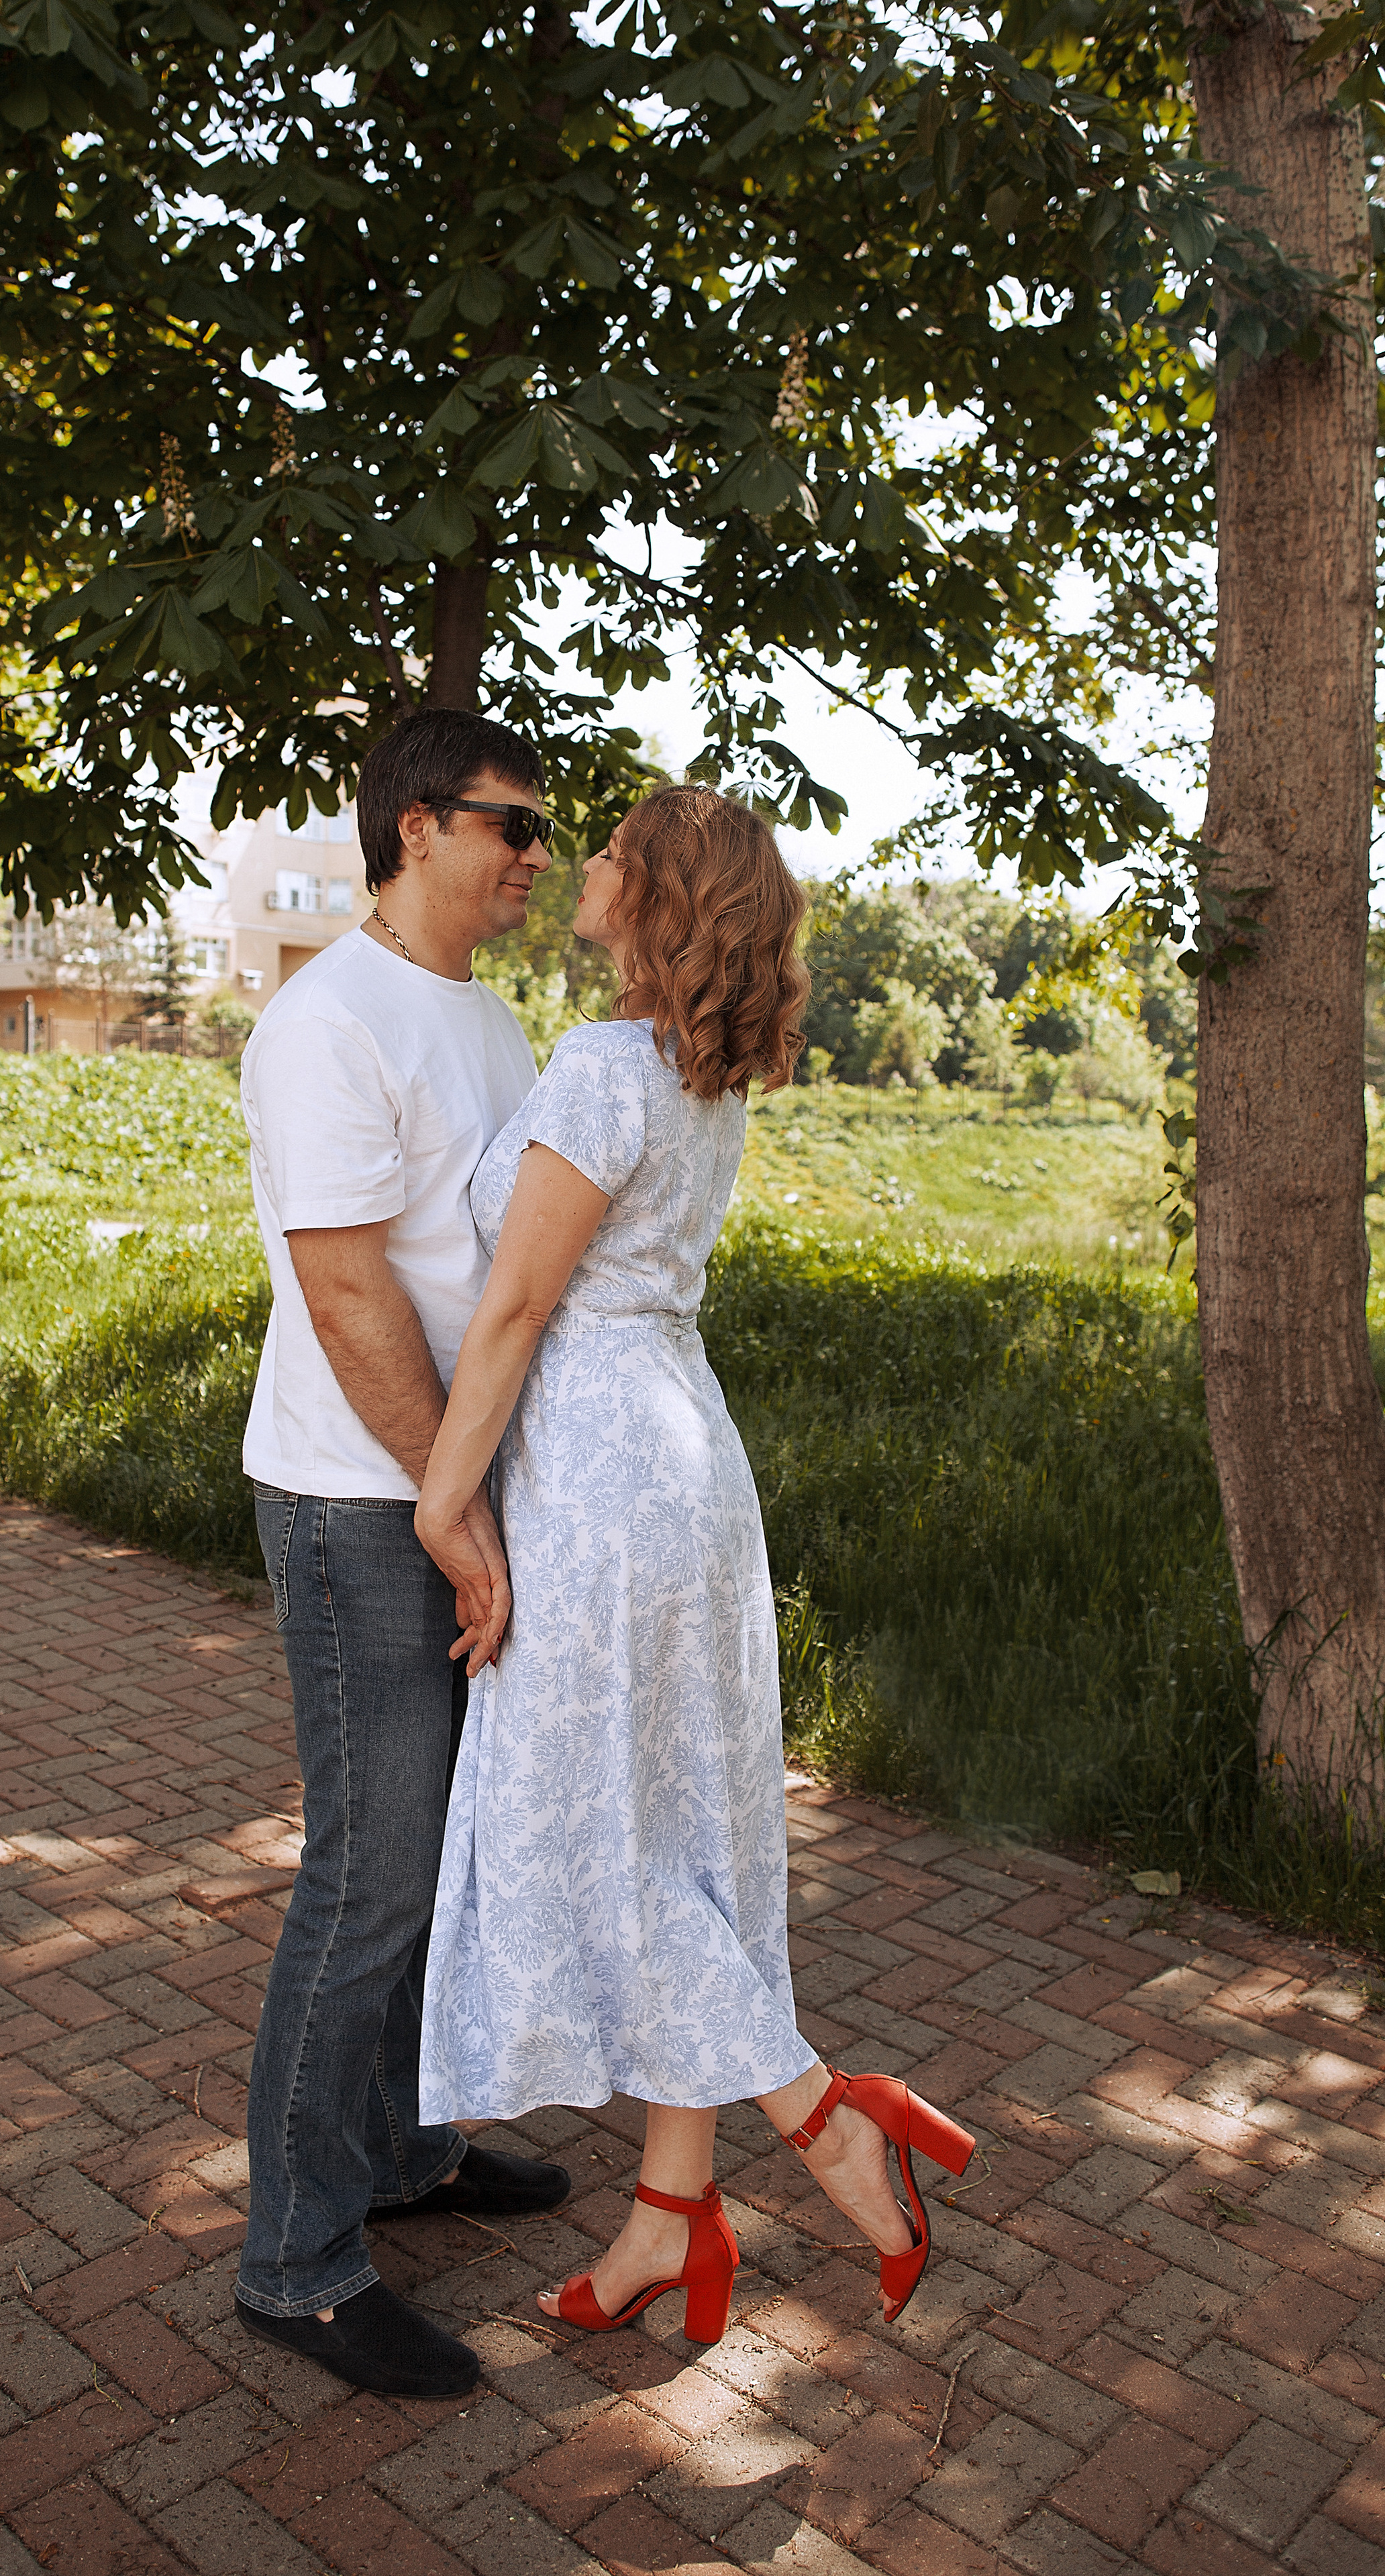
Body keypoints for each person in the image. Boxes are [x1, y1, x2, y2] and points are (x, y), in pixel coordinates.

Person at [413, 784, 973, 2345]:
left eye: (603, 852)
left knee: (598, 1833)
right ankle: (669, 2215)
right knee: (678, 1830)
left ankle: (825, 2118)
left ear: (656, 896)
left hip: (597, 1471)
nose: (576, 865)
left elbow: (516, 1309)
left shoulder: (603, 1066)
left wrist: (439, 1504)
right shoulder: (694, 1071)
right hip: (681, 1459)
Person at [232, 709, 576, 2400]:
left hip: (445, 1494)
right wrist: (451, 1504)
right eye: (511, 827)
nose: (535, 857)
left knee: (438, 1871)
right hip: (358, 1500)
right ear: (420, 825)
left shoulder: (489, 1019)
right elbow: (349, 1289)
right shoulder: (325, 1023)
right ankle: (296, 2263)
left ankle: (407, 2156)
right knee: (366, 1879)